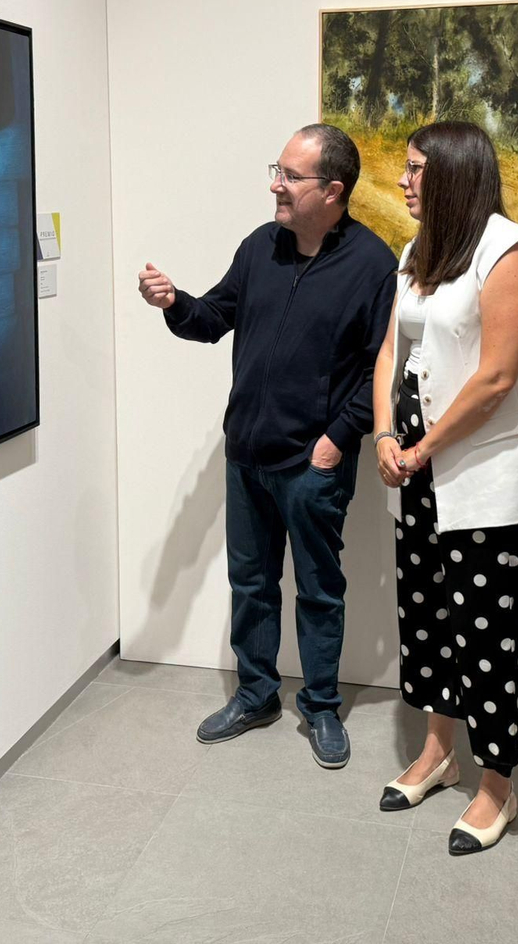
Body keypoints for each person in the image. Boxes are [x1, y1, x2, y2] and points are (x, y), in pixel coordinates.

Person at [137, 124, 397, 768]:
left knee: (319, 590)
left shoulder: (372, 264)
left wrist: (338, 441)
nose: (275, 185)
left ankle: (322, 706)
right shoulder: (261, 248)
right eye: (275, 170)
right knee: (250, 583)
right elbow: (213, 317)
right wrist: (175, 303)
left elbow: (382, 366)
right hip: (246, 456)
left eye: (290, 175)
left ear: (333, 190)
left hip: (314, 464)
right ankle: (255, 694)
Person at [370, 122, 518, 855]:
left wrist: (418, 448)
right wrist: (386, 435)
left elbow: (496, 377)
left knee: (490, 633)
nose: (403, 181)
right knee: (424, 618)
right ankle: (437, 749)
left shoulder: (512, 251)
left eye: (416, 169)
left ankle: (497, 784)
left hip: (484, 481)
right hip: (420, 474)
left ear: (453, 173)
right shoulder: (417, 251)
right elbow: (393, 346)